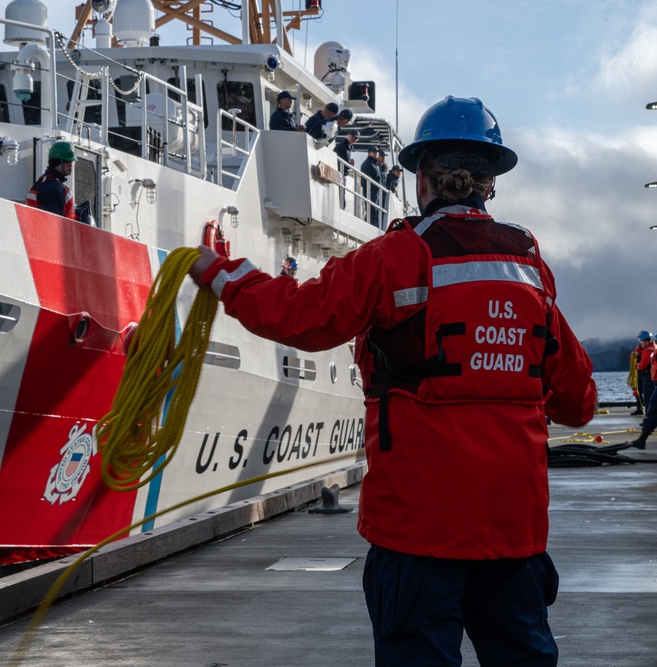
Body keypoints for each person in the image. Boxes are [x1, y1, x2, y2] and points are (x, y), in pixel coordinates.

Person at [188, 95, 597, 667]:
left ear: (421, 178)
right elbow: (579, 403)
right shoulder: (531, 273)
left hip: (417, 532)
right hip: (512, 531)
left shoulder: (393, 258)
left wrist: (226, 276)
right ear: (489, 184)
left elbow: (301, 319)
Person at [26, 141, 78, 219]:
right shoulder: (52, 187)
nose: (70, 165)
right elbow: (54, 222)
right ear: (56, 162)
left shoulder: (46, 182)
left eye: (71, 161)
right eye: (67, 161)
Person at [360, 146, 384, 226]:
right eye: (374, 152)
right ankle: (368, 226)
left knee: (376, 212)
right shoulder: (367, 164)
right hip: (370, 191)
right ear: (369, 153)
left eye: (377, 152)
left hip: (375, 192)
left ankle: (373, 226)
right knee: (372, 211)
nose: (376, 153)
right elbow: (366, 179)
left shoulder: (375, 164)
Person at [635, 331, 656, 411]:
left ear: (645, 341)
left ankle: (649, 417)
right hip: (653, 376)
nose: (640, 343)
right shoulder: (654, 347)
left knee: (648, 397)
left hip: (648, 377)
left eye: (641, 341)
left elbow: (642, 365)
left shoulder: (647, 351)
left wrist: (637, 366)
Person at [628, 345, 644, 415]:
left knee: (645, 392)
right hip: (637, 374)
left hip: (643, 374)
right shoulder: (637, 350)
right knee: (637, 391)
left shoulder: (648, 350)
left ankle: (641, 409)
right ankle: (639, 408)